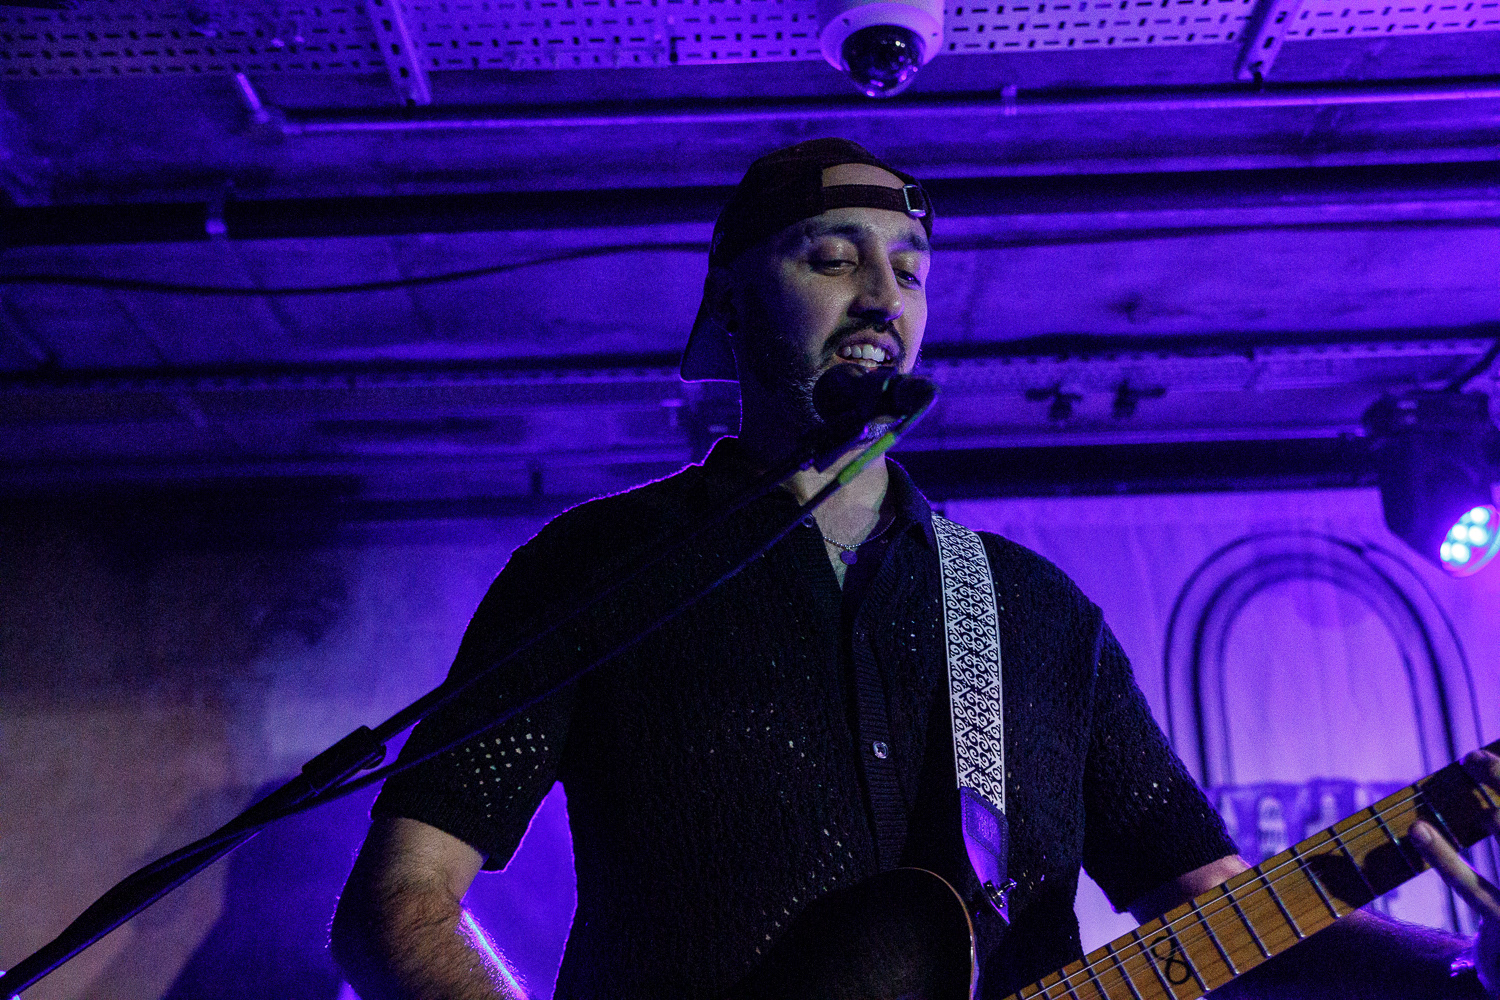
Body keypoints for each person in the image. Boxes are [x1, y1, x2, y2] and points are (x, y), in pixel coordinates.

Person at [330, 138, 1500, 1000]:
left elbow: (1214, 907)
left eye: (910, 268)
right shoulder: (599, 568)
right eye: (832, 258)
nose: (882, 298)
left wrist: (1461, 965)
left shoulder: (1033, 614)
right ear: (730, 304)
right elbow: (401, 897)